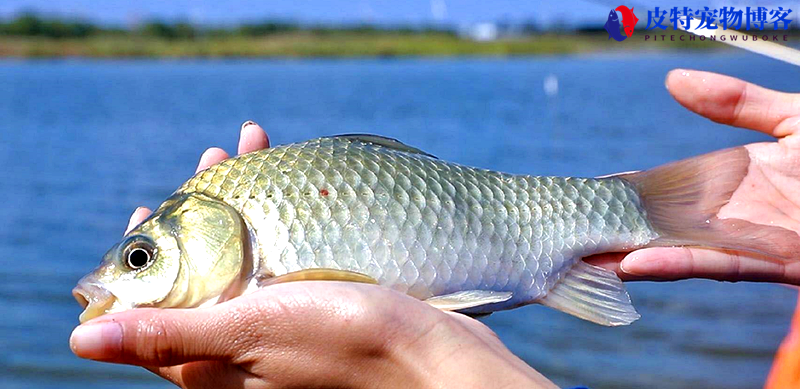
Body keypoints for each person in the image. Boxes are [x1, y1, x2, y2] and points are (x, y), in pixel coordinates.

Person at [70, 69, 800, 389]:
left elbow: (403, 340)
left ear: (216, 230)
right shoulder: (237, 199)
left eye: (139, 257)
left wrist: (413, 356)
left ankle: (646, 212)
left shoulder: (239, 206)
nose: (121, 277)